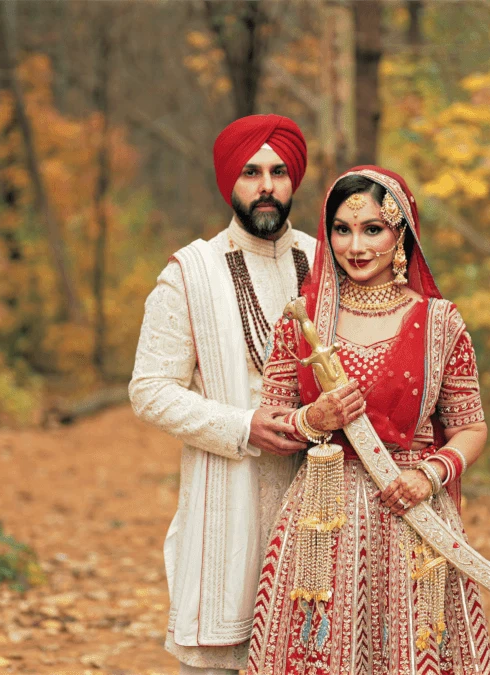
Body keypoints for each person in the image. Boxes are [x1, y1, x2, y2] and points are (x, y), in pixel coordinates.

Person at [247, 167, 490, 675]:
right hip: (322, 522)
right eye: (341, 229)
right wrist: (314, 418)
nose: (355, 245)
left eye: (372, 229)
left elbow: (471, 426)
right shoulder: (302, 321)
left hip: (413, 514)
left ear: (399, 232)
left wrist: (429, 476)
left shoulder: (441, 322)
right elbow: (272, 422)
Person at [129, 114, 321, 675]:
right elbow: (149, 390)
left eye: (279, 172)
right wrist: (243, 426)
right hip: (227, 498)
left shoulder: (329, 262)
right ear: (229, 182)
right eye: (251, 172)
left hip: (321, 500)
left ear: (293, 181)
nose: (266, 186)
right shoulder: (191, 272)